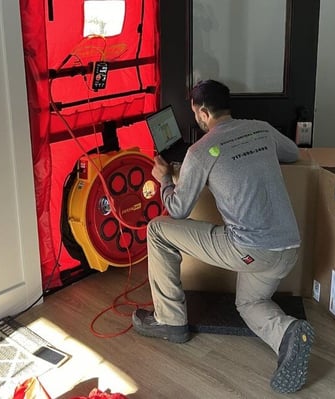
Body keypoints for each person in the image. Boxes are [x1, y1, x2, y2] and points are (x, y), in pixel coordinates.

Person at [132, 79, 314, 393]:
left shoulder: (200, 151)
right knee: (249, 303)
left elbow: (177, 209)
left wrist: (164, 178)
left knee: (158, 230)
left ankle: (170, 321)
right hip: (288, 247)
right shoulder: (262, 128)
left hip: (250, 249)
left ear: (203, 112)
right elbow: (294, 153)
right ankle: (288, 332)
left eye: (196, 115)